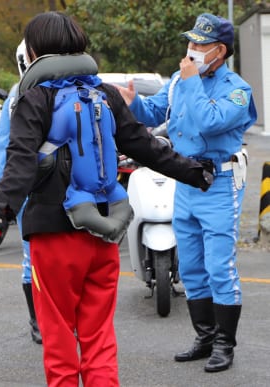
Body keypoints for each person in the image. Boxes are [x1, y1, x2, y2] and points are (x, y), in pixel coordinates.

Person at [0, 11, 213, 387]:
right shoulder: (104, 95)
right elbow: (146, 147)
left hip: (53, 237)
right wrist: (196, 173)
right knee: (99, 337)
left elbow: (19, 162)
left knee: (59, 337)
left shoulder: (34, 98)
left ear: (34, 50)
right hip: (103, 233)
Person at [115, 13, 257, 373]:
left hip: (220, 183)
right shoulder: (180, 80)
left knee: (219, 267)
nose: (191, 50)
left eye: (200, 44)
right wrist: (133, 104)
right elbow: (155, 112)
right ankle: (205, 337)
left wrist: (191, 82)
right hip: (185, 178)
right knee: (191, 267)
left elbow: (212, 120)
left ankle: (225, 344)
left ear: (220, 51)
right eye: (190, 43)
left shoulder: (237, 89)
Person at [0, 40, 41, 344]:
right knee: (31, 258)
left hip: (65, 190)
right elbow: (3, 148)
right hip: (29, 190)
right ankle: (37, 320)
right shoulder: (15, 96)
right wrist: (5, 199)